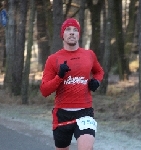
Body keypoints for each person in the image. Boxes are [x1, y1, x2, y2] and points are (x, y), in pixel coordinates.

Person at [40, 18, 104, 150]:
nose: (72, 32)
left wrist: (96, 81)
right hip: (62, 114)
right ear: (62, 34)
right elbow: (44, 91)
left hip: (84, 112)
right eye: (68, 29)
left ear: (79, 34)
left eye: (75, 30)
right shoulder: (53, 59)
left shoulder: (89, 55)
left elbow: (99, 71)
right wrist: (60, 76)